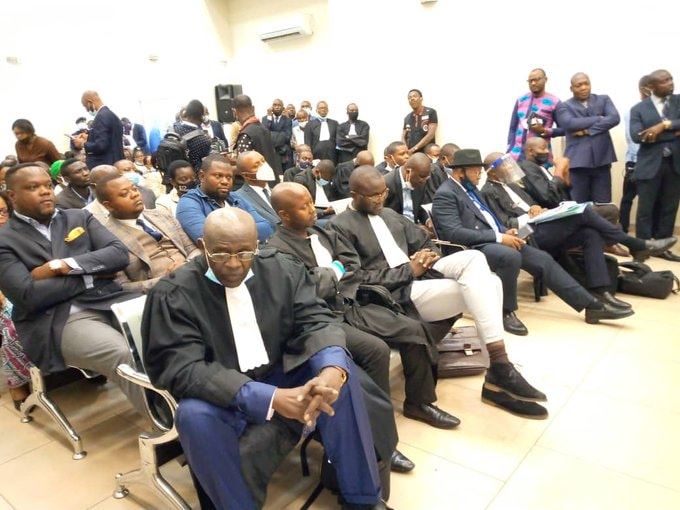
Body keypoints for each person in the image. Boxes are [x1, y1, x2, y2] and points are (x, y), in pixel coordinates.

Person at [143, 207, 392, 510]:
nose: (234, 264)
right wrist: (268, 398)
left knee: (338, 376)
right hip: (222, 391)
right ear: (201, 245)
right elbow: (180, 366)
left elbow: (316, 321)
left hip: (278, 371)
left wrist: (332, 367)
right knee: (193, 416)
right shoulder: (174, 293)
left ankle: (362, 498)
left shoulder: (282, 270)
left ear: (257, 246)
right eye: (220, 254)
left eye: (244, 252)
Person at [329, 166, 548, 419]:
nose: (380, 199)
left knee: (476, 260)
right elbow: (355, 279)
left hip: (422, 276)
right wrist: (409, 270)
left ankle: (499, 367)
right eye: (373, 196)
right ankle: (498, 371)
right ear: (354, 195)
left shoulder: (389, 214)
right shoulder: (339, 227)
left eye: (384, 193)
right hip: (393, 294)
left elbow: (425, 242)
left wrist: (429, 255)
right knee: (491, 285)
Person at [268, 182, 458, 435]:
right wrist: (335, 271)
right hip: (321, 319)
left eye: (312, 202)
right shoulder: (276, 250)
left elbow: (351, 264)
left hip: (350, 302)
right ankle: (378, 433)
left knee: (414, 329)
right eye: (304, 207)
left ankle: (419, 403)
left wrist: (332, 272)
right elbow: (311, 288)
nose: (313, 209)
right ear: (284, 215)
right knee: (375, 350)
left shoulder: (320, 231)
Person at [431, 149, 635, 336]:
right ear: (460, 172)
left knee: (542, 259)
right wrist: (499, 237)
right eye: (475, 170)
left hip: (493, 239)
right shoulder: (446, 194)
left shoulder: (471, 189)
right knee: (510, 256)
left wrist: (505, 231)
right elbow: (454, 233)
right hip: (471, 248)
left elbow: (489, 218)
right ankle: (505, 311)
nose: (480, 174)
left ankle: (591, 307)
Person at [0, 163, 145, 413]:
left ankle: (192, 404)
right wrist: (91, 275)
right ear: (12, 196)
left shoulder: (78, 217)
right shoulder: (5, 240)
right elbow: (28, 296)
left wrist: (61, 266)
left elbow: (119, 255)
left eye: (48, 185)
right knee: (123, 355)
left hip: (109, 300)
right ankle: (169, 424)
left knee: (170, 330)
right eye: (33, 187)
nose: (45, 191)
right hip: (57, 319)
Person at [97, 174, 200, 293]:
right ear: (108, 205)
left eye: (134, 189)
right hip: (161, 294)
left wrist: (186, 267)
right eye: (125, 194)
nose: (135, 194)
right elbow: (122, 286)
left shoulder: (162, 215)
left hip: (194, 275)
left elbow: (193, 249)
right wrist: (166, 280)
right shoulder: (105, 238)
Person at [630, 69, 680, 261]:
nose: (670, 83)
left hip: (675, 163)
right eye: (664, 81)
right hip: (650, 164)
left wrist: (663, 126)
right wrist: (675, 133)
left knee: (669, 207)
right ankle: (642, 247)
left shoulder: (678, 101)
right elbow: (638, 136)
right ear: (651, 86)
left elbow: (651, 134)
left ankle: (663, 246)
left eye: (670, 79)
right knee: (645, 209)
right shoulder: (639, 109)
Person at [176, 154, 274, 243]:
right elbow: (208, 239)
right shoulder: (189, 202)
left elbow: (266, 228)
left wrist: (227, 233)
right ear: (202, 176)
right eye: (218, 176)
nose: (225, 181)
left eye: (229, 177)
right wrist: (248, 231)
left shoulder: (235, 198)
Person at [554, 73, 620, 203]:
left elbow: (614, 118)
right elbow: (569, 124)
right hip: (578, 163)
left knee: (603, 204)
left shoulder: (603, 99)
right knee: (578, 205)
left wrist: (588, 131)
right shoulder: (564, 105)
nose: (584, 87)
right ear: (571, 88)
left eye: (586, 84)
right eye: (579, 85)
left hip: (602, 161)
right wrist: (599, 118)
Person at [0, 191, 33, 410]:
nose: (0, 218)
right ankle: (18, 382)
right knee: (11, 322)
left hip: (26, 284)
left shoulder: (20, 232)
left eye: (3, 211)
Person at [506, 69, 564, 161]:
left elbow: (564, 129)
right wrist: (509, 149)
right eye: (530, 81)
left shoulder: (554, 102)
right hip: (516, 156)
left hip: (539, 157)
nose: (533, 83)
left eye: (537, 79)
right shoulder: (521, 100)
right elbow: (513, 128)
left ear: (545, 79)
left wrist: (544, 130)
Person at [620, 75, 653, 233]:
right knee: (628, 198)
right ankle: (623, 232)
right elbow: (633, 140)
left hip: (651, 161)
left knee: (649, 200)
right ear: (641, 90)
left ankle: (649, 235)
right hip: (636, 161)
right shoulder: (633, 111)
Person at [233, 94, 283, 180]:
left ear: (234, 111)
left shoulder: (245, 135)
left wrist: (227, 168)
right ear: (253, 108)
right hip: (272, 179)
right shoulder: (263, 128)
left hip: (258, 183)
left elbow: (245, 167)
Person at [73, 91, 125, 168]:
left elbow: (101, 145)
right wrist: (89, 137)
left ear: (89, 103)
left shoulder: (100, 117)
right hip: (117, 161)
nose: (86, 110)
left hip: (106, 165)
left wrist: (82, 144)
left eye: (85, 106)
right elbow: (110, 139)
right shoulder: (112, 115)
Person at [519, 138, 572, 208]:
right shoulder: (527, 167)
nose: (547, 151)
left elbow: (559, 192)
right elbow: (548, 198)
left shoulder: (540, 167)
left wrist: (566, 175)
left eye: (548, 148)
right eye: (543, 148)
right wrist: (559, 169)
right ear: (530, 151)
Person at [233, 152, 280, 230]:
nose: (264, 166)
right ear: (246, 175)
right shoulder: (239, 198)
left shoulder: (278, 192)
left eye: (263, 161)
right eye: (256, 166)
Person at [384, 153, 432, 227]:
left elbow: (421, 207)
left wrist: (428, 220)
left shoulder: (421, 181)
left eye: (426, 178)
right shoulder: (387, 183)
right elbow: (385, 216)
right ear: (408, 172)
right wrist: (412, 229)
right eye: (422, 177)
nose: (424, 181)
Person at [174, 99, 213, 172]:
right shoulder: (202, 140)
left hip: (172, 175)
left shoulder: (173, 128)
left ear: (187, 113)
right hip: (192, 176)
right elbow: (208, 162)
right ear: (201, 116)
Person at [402, 89, 437, 155]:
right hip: (411, 154)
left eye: (414, 96)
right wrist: (405, 150)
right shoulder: (407, 117)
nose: (412, 99)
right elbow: (403, 136)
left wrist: (414, 149)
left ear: (421, 98)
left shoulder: (431, 112)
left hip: (427, 154)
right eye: (409, 97)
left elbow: (430, 135)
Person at [262, 98, 294, 170]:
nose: (276, 107)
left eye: (279, 105)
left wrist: (271, 135)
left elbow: (287, 137)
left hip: (284, 153)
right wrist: (269, 118)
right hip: (271, 153)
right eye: (275, 105)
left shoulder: (287, 120)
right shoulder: (265, 119)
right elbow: (264, 134)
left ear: (283, 108)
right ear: (271, 107)